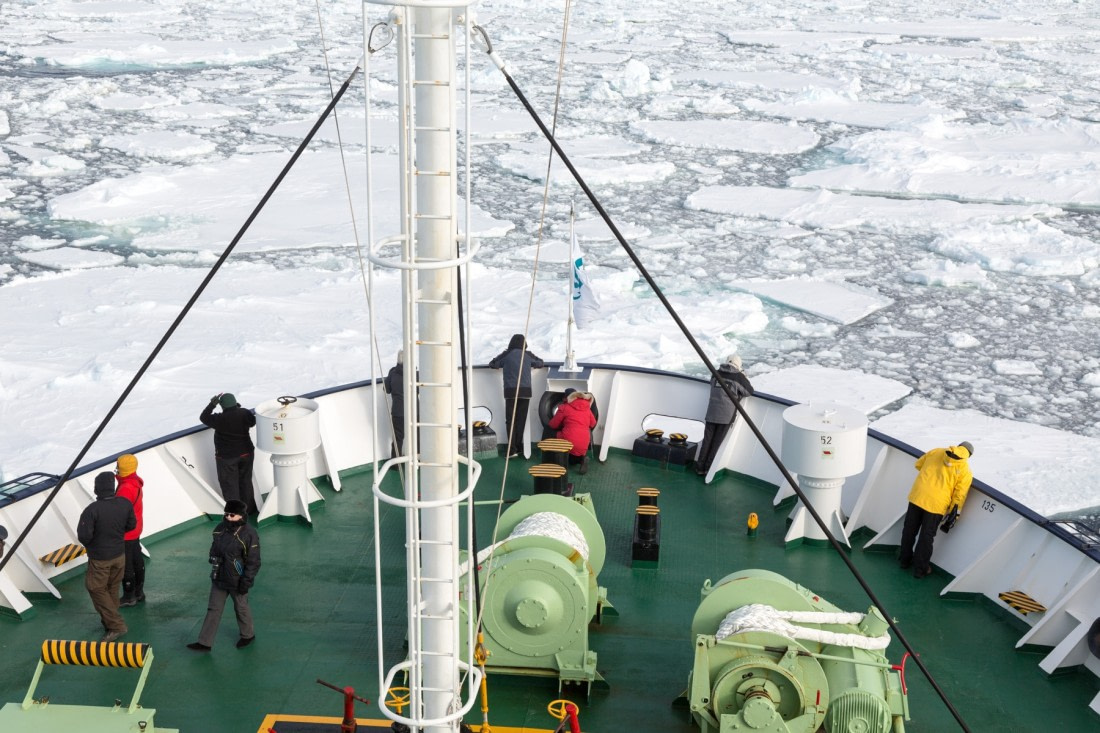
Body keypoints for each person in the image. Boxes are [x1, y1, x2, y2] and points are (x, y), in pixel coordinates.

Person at [187, 500, 261, 651]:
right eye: (226, 514)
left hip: (237, 580)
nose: (228, 517)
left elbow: (254, 561)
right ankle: (204, 642)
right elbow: (214, 547)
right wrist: (213, 557)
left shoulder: (249, 534)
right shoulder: (220, 528)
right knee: (213, 609)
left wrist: (246, 582)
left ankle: (248, 635)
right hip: (219, 576)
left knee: (241, 608)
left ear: (240, 515)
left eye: (232, 515)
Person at [899, 442, 975, 579]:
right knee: (926, 537)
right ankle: (920, 569)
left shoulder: (936, 451)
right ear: (968, 455)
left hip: (918, 496)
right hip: (936, 505)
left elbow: (918, 464)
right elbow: (959, 496)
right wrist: (954, 516)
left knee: (909, 529)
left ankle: (904, 560)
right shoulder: (965, 471)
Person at [77, 471, 136, 642]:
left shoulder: (92, 510)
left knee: (95, 588)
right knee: (111, 588)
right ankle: (109, 621)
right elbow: (131, 525)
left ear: (96, 489)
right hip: (119, 555)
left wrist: (96, 543)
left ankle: (116, 626)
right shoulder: (124, 504)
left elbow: (84, 536)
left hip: (100, 559)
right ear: (113, 487)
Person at [695, 354, 754, 476]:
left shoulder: (716, 373)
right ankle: (708, 469)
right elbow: (749, 391)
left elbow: (712, 384)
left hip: (711, 412)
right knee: (716, 443)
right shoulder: (738, 377)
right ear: (739, 365)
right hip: (726, 416)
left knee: (707, 441)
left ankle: (699, 467)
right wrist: (743, 376)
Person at [200, 392, 258, 515]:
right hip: (246, 453)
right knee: (245, 482)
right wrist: (238, 409)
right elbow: (252, 422)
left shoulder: (219, 419)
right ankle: (251, 510)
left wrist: (212, 404)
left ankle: (236, 514)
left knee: (230, 486)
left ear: (222, 406)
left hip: (227, 458)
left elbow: (203, 417)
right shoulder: (244, 413)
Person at [488, 334, 545, 457]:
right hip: (525, 392)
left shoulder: (507, 354)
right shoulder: (527, 354)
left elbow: (493, 363)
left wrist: (498, 366)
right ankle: (518, 447)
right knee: (521, 421)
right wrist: (533, 365)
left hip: (511, 392)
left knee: (511, 421)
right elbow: (540, 363)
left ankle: (511, 449)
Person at [115, 454, 145, 607]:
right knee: (137, 560)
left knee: (127, 565)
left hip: (126, 533)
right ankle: (139, 592)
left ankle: (129, 596)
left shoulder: (125, 489)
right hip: (136, 528)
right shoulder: (135, 482)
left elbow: (121, 513)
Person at [548, 389, 597, 474]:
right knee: (576, 448)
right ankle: (582, 459)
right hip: (584, 443)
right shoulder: (587, 408)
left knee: (549, 431)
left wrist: (564, 424)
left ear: (566, 398)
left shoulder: (564, 407)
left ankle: (552, 457)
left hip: (568, 442)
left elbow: (553, 425)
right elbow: (593, 424)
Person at [383, 350, 406, 458]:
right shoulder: (415, 374)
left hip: (398, 411)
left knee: (397, 438)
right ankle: (418, 461)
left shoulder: (392, 372)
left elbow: (386, 389)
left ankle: (396, 463)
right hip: (414, 411)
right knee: (417, 436)